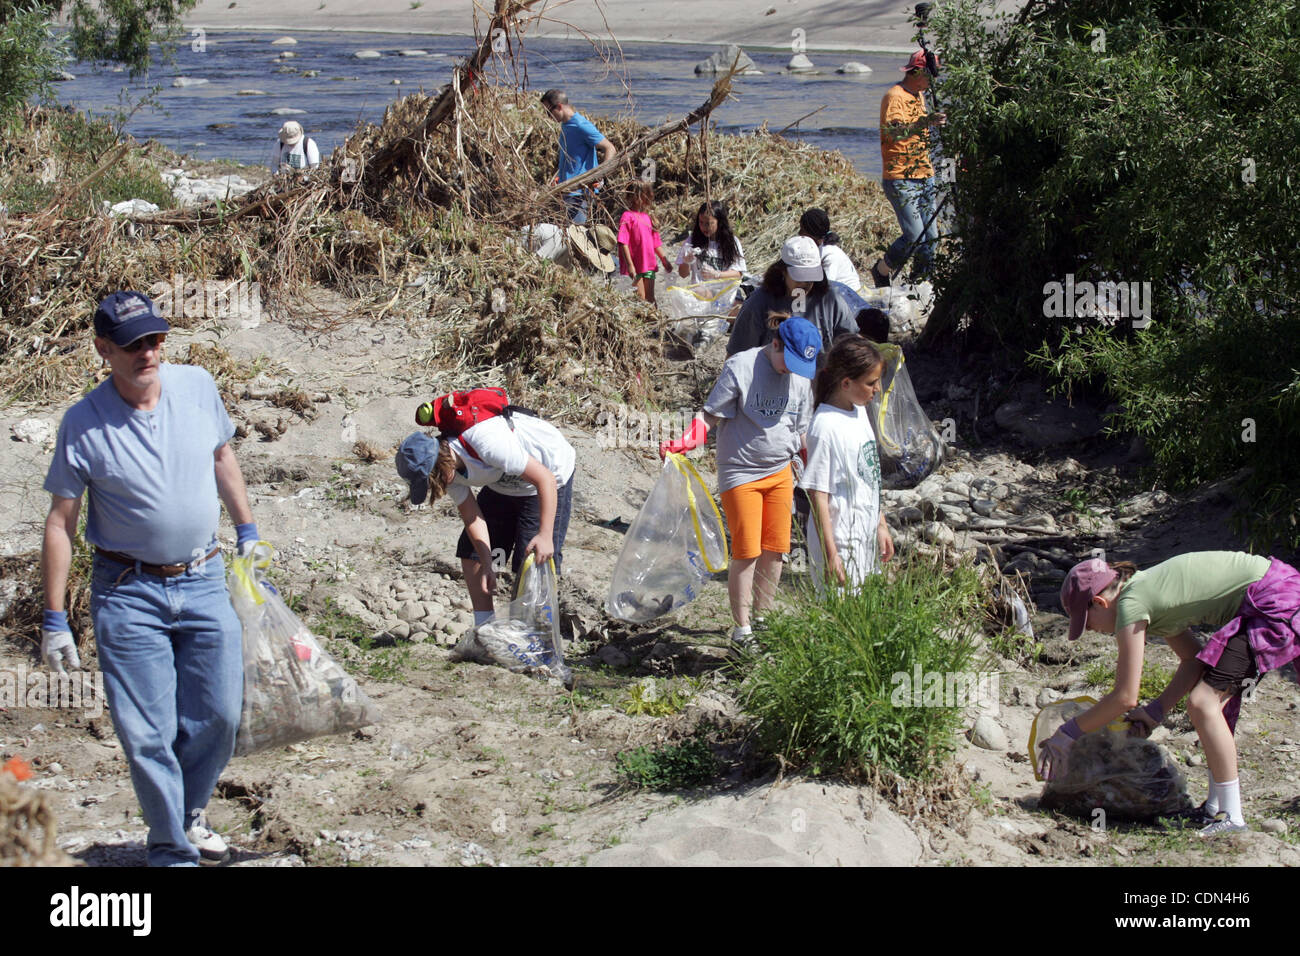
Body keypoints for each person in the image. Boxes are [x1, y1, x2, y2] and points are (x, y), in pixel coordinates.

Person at [41, 290, 260, 867]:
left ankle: (188, 814)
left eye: (156, 339)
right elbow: (61, 523)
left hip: (204, 576)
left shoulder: (196, 387)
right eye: (134, 344)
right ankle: (169, 847)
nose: (149, 352)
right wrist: (55, 619)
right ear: (104, 349)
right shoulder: (83, 424)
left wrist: (248, 531)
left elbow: (221, 458)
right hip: (127, 592)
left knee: (220, 715)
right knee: (147, 733)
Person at [1042, 552, 1300, 837]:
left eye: (1088, 624)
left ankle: (1233, 819)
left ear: (1100, 603)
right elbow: (1193, 660)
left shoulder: (1131, 603)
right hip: (1278, 593)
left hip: (1275, 600)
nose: (1094, 631)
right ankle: (1214, 810)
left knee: (1203, 703)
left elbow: (1125, 696)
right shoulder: (1145, 593)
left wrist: (1067, 733)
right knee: (1212, 705)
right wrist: (1155, 712)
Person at [660, 315, 821, 650]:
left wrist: (814, 467)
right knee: (747, 550)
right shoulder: (742, 366)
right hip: (741, 472)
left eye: (798, 366)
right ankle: (742, 630)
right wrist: (685, 442)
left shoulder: (801, 378)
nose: (790, 371)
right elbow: (711, 415)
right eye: (786, 361)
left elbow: (801, 431)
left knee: (777, 550)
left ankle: (763, 620)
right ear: (775, 344)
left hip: (781, 472)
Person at [396, 410, 575, 630]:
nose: (438, 487)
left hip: (548, 474)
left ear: (440, 466)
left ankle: (533, 633)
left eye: (433, 481)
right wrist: (488, 562)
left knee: (531, 559)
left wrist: (546, 535)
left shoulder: (487, 442)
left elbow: (544, 478)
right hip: (504, 483)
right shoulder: (449, 472)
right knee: (472, 552)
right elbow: (472, 517)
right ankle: (485, 629)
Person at [802, 336, 894, 591]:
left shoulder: (859, 410)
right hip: (840, 541)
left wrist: (881, 524)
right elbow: (817, 495)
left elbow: (869, 475)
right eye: (871, 383)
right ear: (845, 383)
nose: (877, 389)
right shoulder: (825, 426)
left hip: (865, 536)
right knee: (838, 620)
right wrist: (831, 556)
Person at [870, 50, 947, 288]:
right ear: (918, 73)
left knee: (932, 237)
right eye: (929, 76)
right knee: (915, 236)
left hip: (925, 174)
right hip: (901, 177)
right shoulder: (894, 96)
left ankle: (919, 283)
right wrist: (925, 122)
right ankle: (882, 269)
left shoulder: (920, 95)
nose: (932, 82)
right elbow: (893, 133)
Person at [727, 236, 857, 358]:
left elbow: (852, 344)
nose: (806, 283)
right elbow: (737, 356)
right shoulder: (759, 303)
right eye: (800, 277)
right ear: (783, 271)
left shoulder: (830, 300)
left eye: (811, 277)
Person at [540, 89, 617, 224]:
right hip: (566, 192)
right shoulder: (565, 125)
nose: (547, 116)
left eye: (548, 112)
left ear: (559, 106)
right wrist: (560, 178)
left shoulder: (581, 125)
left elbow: (609, 148)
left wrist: (600, 175)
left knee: (576, 236)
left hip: (579, 195)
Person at [617, 181, 673, 304]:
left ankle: (657, 321)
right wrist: (630, 265)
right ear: (635, 197)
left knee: (650, 298)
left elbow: (655, 242)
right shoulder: (627, 216)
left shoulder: (647, 217)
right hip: (635, 266)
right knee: (640, 299)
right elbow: (622, 242)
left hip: (648, 264)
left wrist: (664, 260)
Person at [798, 207, 862, 292]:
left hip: (847, 298)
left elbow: (827, 287)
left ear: (813, 233)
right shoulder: (817, 249)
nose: (799, 233)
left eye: (803, 230)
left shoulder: (829, 254)